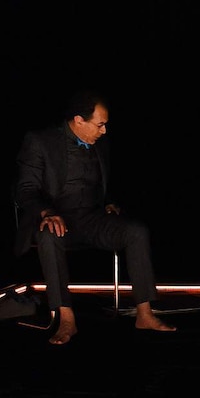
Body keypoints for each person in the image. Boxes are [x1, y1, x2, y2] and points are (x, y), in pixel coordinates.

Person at [13, 89, 176, 344]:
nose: (104, 131)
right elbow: (25, 190)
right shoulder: (40, 141)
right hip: (56, 218)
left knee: (136, 230)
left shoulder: (101, 145)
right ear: (79, 120)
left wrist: (109, 203)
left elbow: (102, 185)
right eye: (99, 125)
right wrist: (48, 212)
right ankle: (66, 319)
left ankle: (144, 314)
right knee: (48, 234)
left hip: (90, 218)